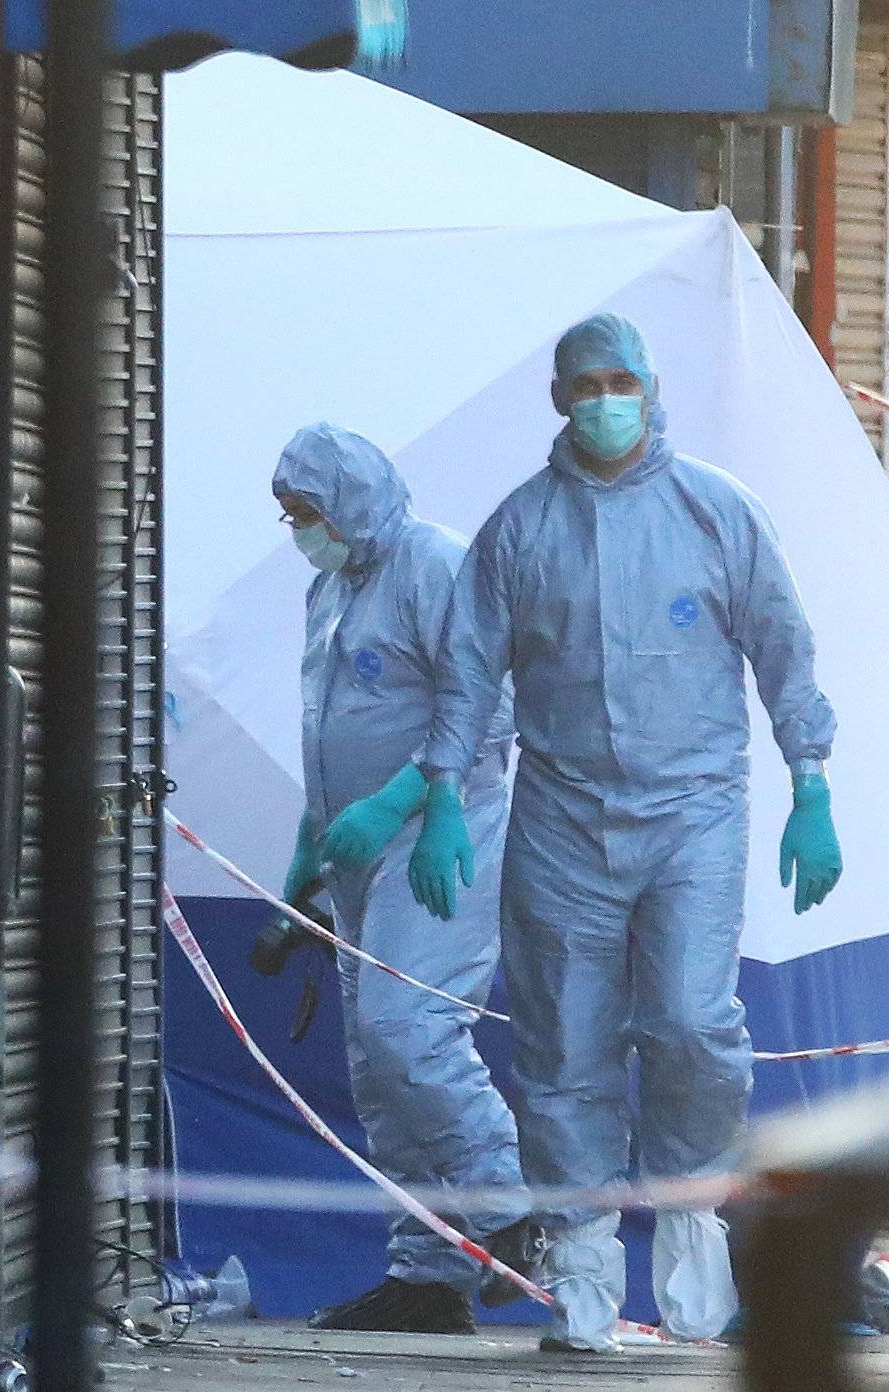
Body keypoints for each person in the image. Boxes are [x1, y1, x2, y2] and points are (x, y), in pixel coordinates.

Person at [406, 314, 843, 1352]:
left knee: (693, 1022)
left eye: (620, 380)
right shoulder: (518, 531)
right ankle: (585, 1273)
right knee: (564, 1046)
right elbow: (469, 670)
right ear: (558, 400)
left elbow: (784, 643)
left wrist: (811, 780)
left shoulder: (717, 512)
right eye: (584, 384)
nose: (604, 399)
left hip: (695, 810)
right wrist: (437, 793)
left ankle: (694, 1226)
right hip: (562, 819)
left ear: (650, 387)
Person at [272, 423, 542, 1335]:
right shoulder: (331, 588)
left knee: (410, 1027)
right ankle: (426, 1273)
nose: (299, 528)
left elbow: (492, 705)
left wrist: (400, 805)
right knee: (377, 1067)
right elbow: (332, 719)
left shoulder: (437, 568)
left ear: (349, 500)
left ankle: (513, 1211)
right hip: (356, 853)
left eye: (307, 511)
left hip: (439, 837)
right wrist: (309, 846)